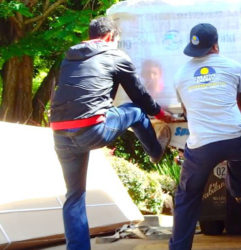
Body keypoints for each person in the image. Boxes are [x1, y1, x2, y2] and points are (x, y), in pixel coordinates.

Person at [50, 16, 171, 250]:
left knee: (74, 196)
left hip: (60, 132)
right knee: (135, 111)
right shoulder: (114, 54)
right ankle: (155, 152)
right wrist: (161, 114)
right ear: (109, 37)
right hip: (93, 128)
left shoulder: (70, 56)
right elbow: (139, 95)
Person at [169, 23, 241, 250]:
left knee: (187, 196)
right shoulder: (233, 67)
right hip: (235, 139)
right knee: (238, 155)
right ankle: (238, 191)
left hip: (202, 146)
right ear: (216, 45)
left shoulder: (180, 75)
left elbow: (186, 110)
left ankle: (179, 247)